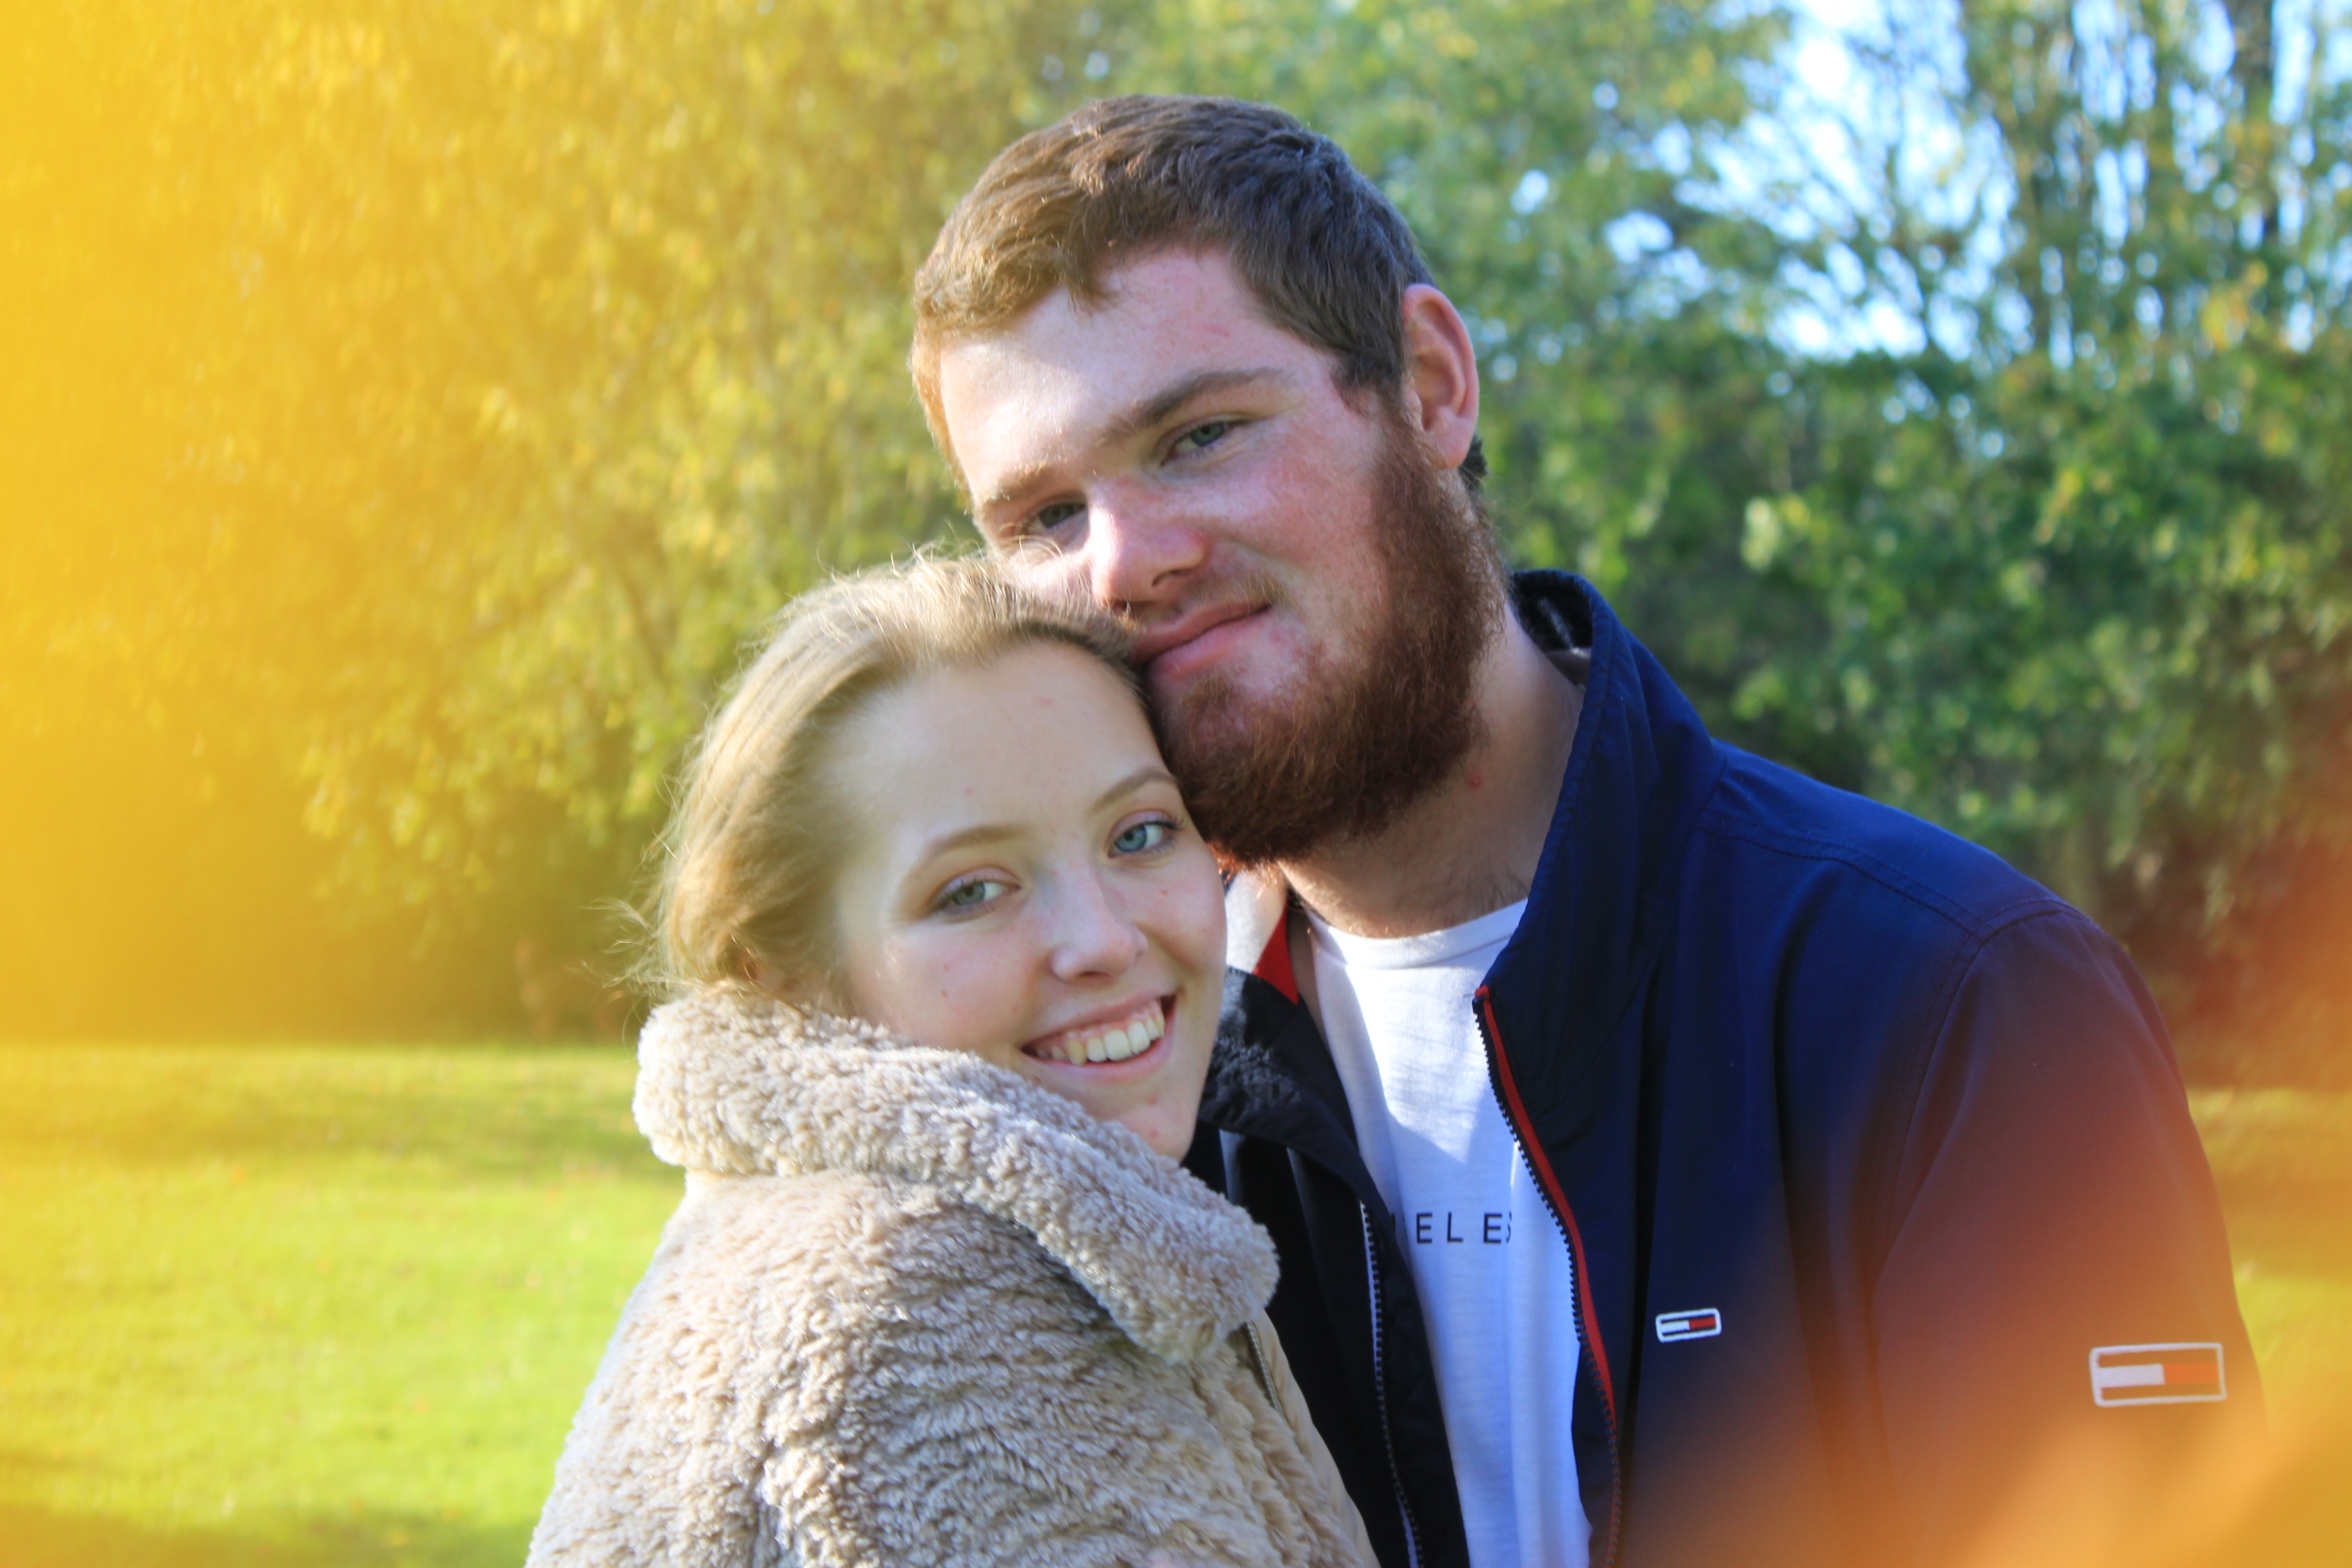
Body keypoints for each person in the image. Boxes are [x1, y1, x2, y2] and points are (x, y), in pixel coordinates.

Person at [909, 96, 2260, 1568]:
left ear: (1430, 387)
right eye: (1041, 516)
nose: (1126, 563)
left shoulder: (1953, 1003)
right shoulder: (1103, 1075)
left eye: (1200, 434)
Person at [527, 558, 1375, 1568]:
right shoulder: (918, 1327)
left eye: (1141, 833)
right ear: (785, 976)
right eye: (971, 890)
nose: (1101, 938)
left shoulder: (998, 1245)